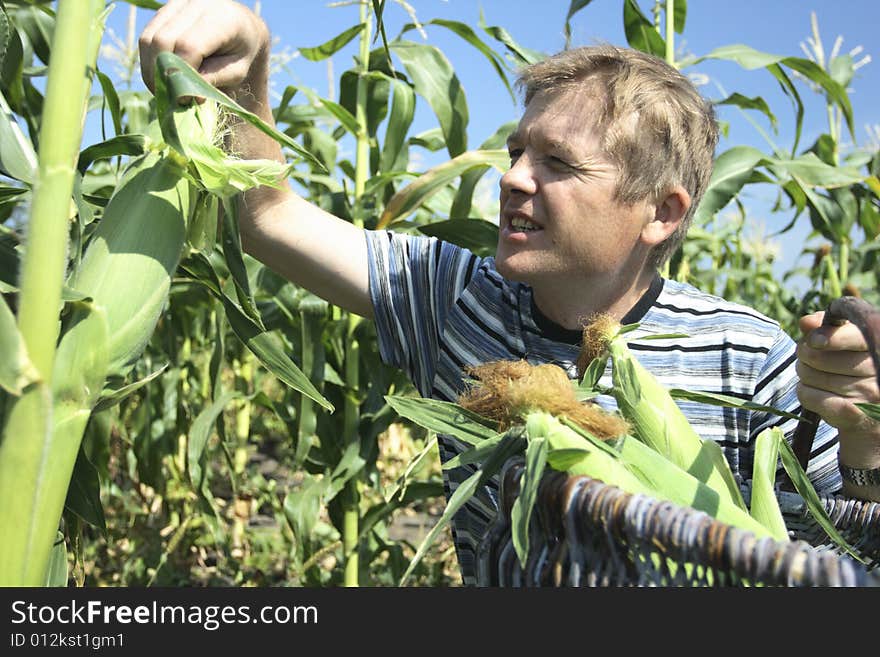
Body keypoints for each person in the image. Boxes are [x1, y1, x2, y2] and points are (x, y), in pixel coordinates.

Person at [139, 0, 880, 585]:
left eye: (557, 162)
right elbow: (269, 215)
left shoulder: (747, 354)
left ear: (663, 212)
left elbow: (831, 547)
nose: (513, 176)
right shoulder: (453, 299)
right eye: (519, 148)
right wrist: (244, 70)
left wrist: (863, 434)